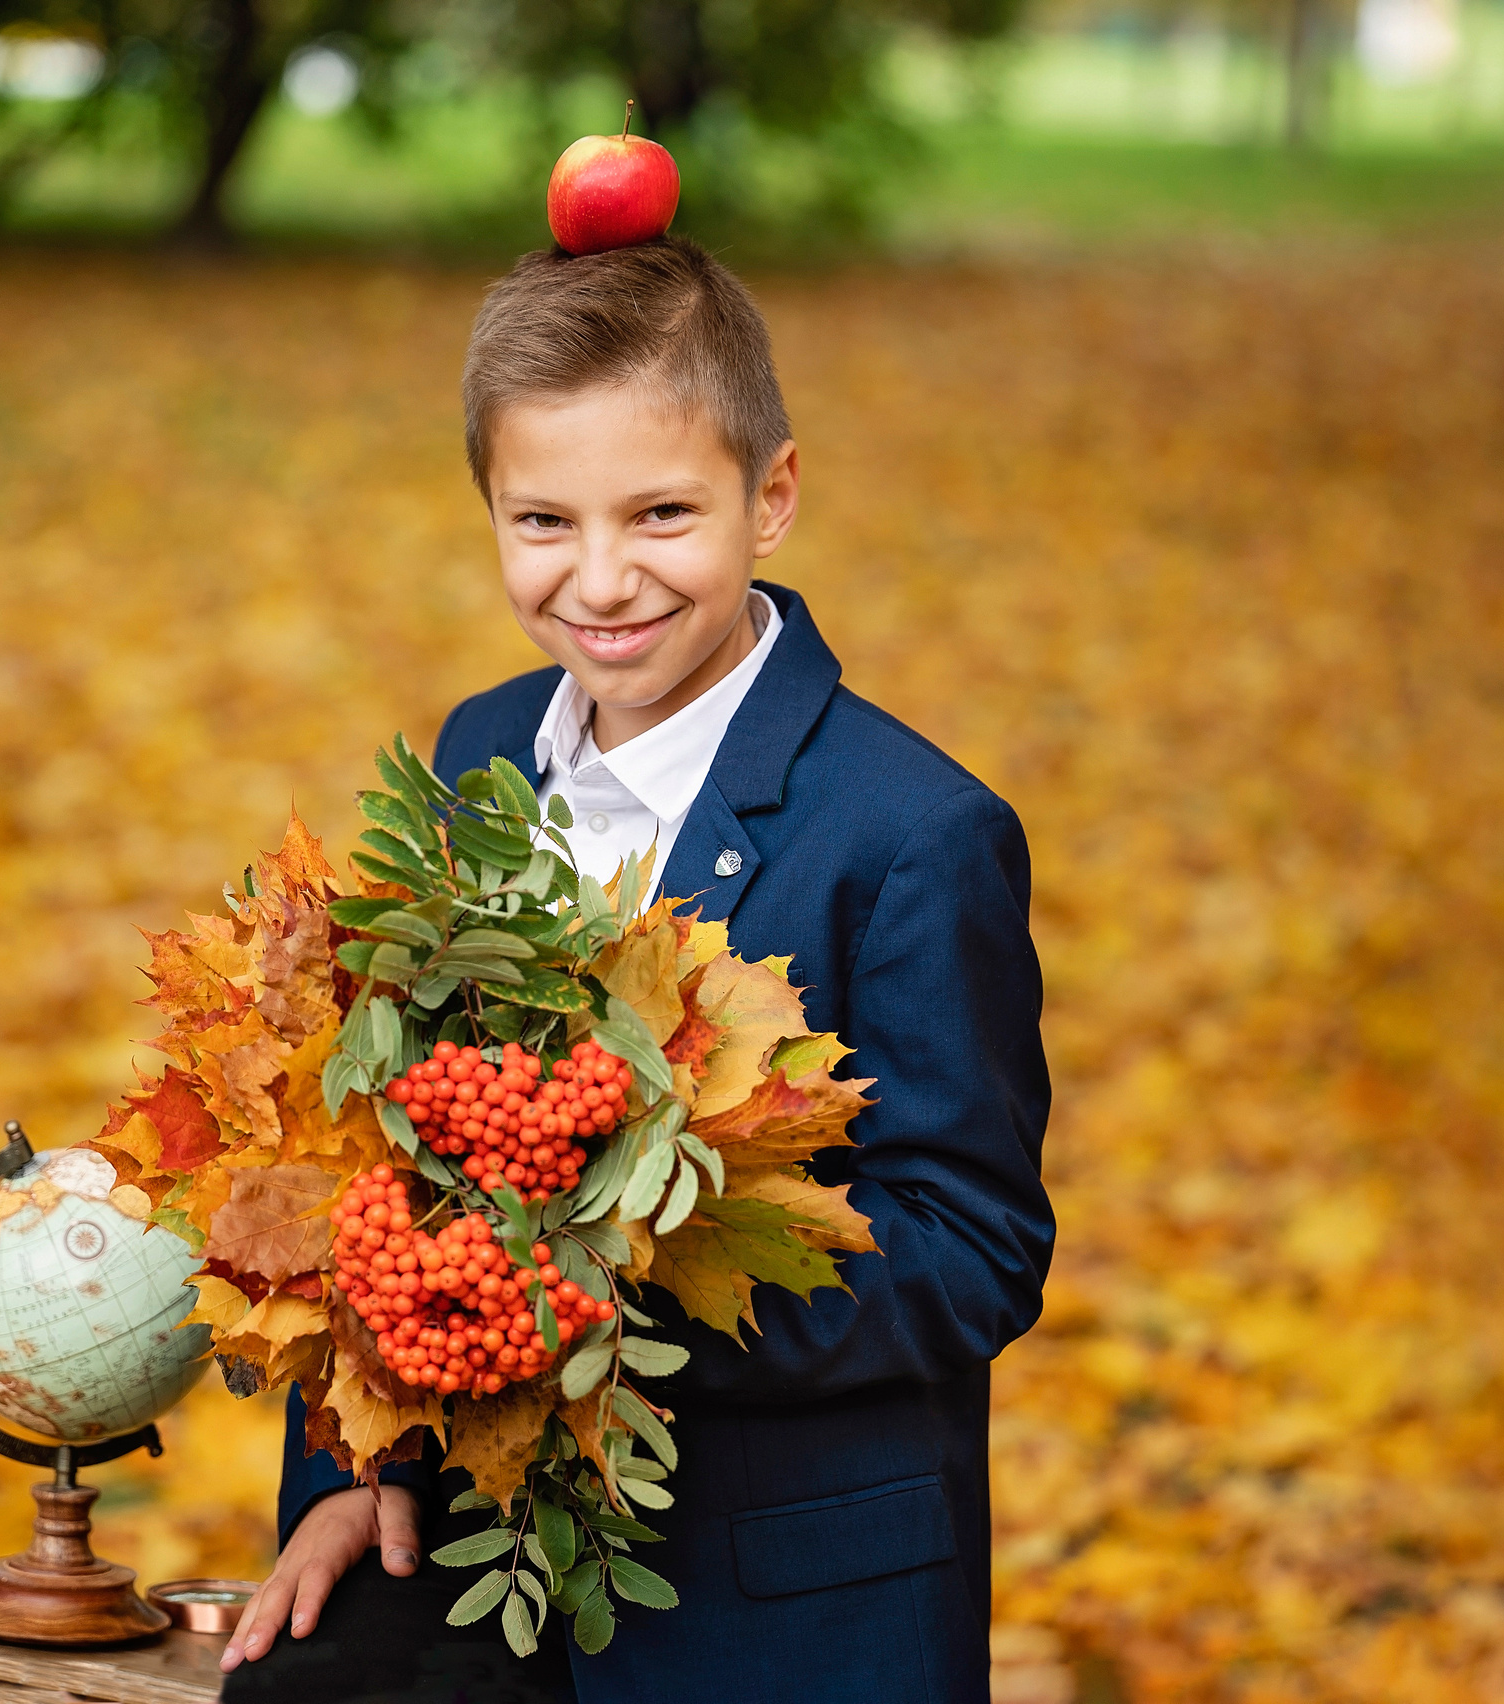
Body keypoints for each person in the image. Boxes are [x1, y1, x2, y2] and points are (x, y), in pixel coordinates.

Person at [219, 236, 1056, 1704]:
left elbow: (975, 1244)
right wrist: (356, 1468)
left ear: (771, 498)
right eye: (543, 520)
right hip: (481, 1557)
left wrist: (616, 1291)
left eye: (662, 513)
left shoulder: (912, 835)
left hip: (775, 1608)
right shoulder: (479, 756)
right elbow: (376, 1164)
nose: (600, 579)